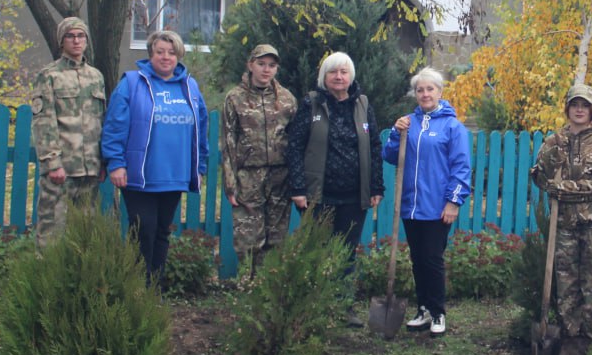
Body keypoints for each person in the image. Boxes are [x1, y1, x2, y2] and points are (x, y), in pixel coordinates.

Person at [101, 30, 209, 288]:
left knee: (161, 232)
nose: (166, 57)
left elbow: (201, 129)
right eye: (160, 51)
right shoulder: (131, 83)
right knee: (143, 230)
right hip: (139, 175)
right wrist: (115, 163)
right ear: (150, 53)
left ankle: (154, 291)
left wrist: (200, 167)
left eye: (171, 52)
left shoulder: (190, 87)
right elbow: (114, 126)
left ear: (179, 55)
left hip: (174, 175)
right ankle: (136, 289)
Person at [286, 51, 384, 323]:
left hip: (354, 195)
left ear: (351, 76)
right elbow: (294, 146)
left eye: (344, 72)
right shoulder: (311, 104)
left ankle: (343, 307)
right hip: (318, 195)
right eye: (333, 72)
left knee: (347, 252)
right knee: (315, 250)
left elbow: (374, 146)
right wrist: (298, 187)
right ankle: (313, 307)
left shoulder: (363, 104)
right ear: (324, 76)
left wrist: (376, 186)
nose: (339, 77)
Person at [530, 82, 592, 351]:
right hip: (565, 223)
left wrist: (565, 188)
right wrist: (550, 182)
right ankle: (569, 342)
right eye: (574, 105)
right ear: (567, 108)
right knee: (566, 283)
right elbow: (540, 175)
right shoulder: (554, 141)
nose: (579, 110)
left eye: (585, 105)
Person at [383, 67, 471, 337]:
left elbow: (461, 167)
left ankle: (438, 311)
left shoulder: (453, 127)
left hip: (437, 207)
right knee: (418, 259)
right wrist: (396, 133)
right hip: (411, 206)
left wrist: (453, 202)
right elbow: (390, 155)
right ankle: (422, 309)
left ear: (440, 92)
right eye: (420, 90)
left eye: (430, 89)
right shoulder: (408, 123)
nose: (425, 94)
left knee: (432, 259)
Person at [221, 43, 298, 279]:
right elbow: (228, 141)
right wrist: (230, 183)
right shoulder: (235, 98)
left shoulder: (286, 99)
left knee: (276, 238)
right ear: (250, 65)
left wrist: (296, 180)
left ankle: (268, 287)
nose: (266, 70)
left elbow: (296, 141)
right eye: (261, 64)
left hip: (280, 178)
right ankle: (248, 284)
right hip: (248, 176)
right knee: (248, 238)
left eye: (271, 65)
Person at [30, 16, 107, 246]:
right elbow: (44, 121)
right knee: (52, 234)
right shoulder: (49, 75)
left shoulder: (96, 76)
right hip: (62, 169)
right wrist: (52, 162)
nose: (76, 40)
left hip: (90, 169)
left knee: (85, 235)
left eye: (81, 36)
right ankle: (47, 270)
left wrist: (103, 162)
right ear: (61, 41)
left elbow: (101, 120)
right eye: (70, 36)